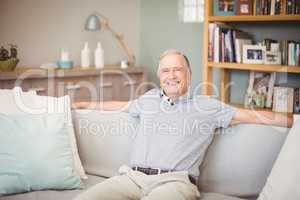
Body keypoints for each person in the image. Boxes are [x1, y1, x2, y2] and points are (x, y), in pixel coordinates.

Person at [72, 49, 293, 200]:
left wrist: (292, 119)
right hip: (131, 177)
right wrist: (84, 103)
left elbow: (252, 116)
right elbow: (120, 106)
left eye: (177, 69)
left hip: (174, 182)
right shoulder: (148, 99)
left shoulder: (207, 106)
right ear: (160, 76)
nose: (171, 75)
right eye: (166, 71)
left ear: (188, 74)